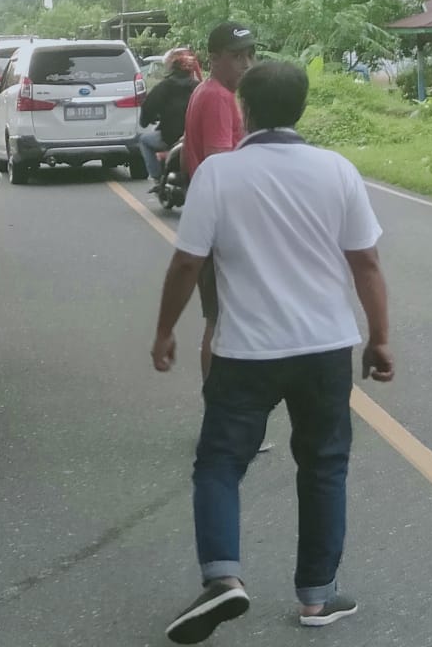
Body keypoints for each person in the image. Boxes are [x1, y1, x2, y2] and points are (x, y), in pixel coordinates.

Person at [152, 61, 394, 643]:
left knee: (219, 463)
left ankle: (223, 578)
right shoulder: (337, 170)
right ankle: (317, 597)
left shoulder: (217, 174)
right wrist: (380, 336)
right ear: (303, 107)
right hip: (325, 348)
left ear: (245, 109)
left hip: (245, 353)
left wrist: (165, 331)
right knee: (324, 467)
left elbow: (188, 262)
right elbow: (366, 263)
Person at [183, 23, 255, 382]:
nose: (245, 64)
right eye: (236, 56)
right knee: (224, 323)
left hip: (211, 221)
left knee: (221, 319)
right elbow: (218, 166)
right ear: (213, 59)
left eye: (249, 55)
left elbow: (188, 160)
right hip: (221, 225)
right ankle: (221, 414)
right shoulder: (218, 98)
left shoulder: (207, 91)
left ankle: (221, 414)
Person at [139, 49, 201, 187]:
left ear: (171, 66)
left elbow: (148, 107)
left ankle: (157, 178)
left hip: (170, 137)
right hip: (195, 138)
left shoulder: (163, 87)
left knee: (143, 140)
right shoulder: (199, 88)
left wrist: (145, 121)